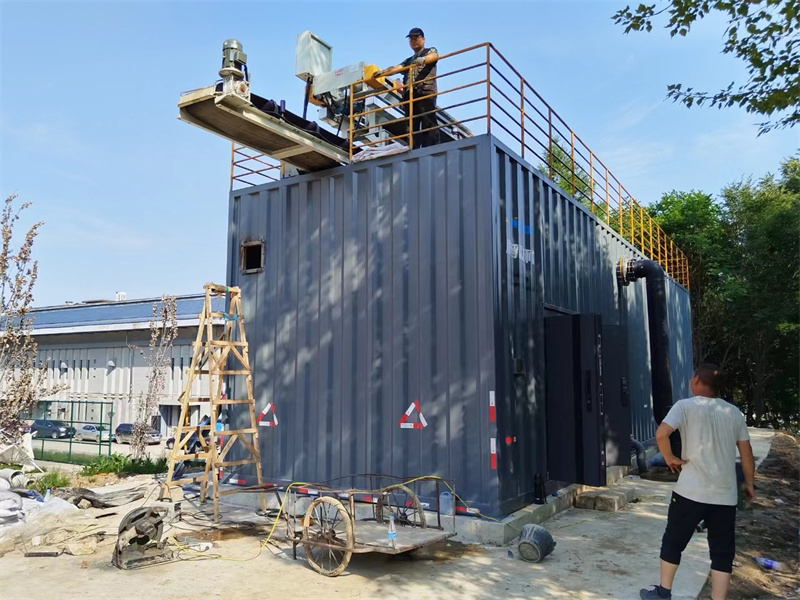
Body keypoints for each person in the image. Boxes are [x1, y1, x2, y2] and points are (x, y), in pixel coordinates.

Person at [640, 364, 755, 600]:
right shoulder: (734, 413)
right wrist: (749, 483)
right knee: (722, 553)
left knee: (673, 541)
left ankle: (663, 593)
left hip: (689, 492)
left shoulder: (684, 406)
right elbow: (746, 453)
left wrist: (669, 457)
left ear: (696, 380)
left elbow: (661, 433)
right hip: (724, 496)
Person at [374, 28, 440, 149]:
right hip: (410, 95)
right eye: (411, 39)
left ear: (423, 39)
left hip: (425, 91)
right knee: (411, 124)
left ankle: (431, 148)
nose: (414, 41)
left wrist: (424, 59)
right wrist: (382, 72)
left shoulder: (429, 51)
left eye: (416, 38)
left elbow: (434, 56)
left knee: (428, 121)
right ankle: (413, 148)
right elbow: (396, 68)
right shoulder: (409, 61)